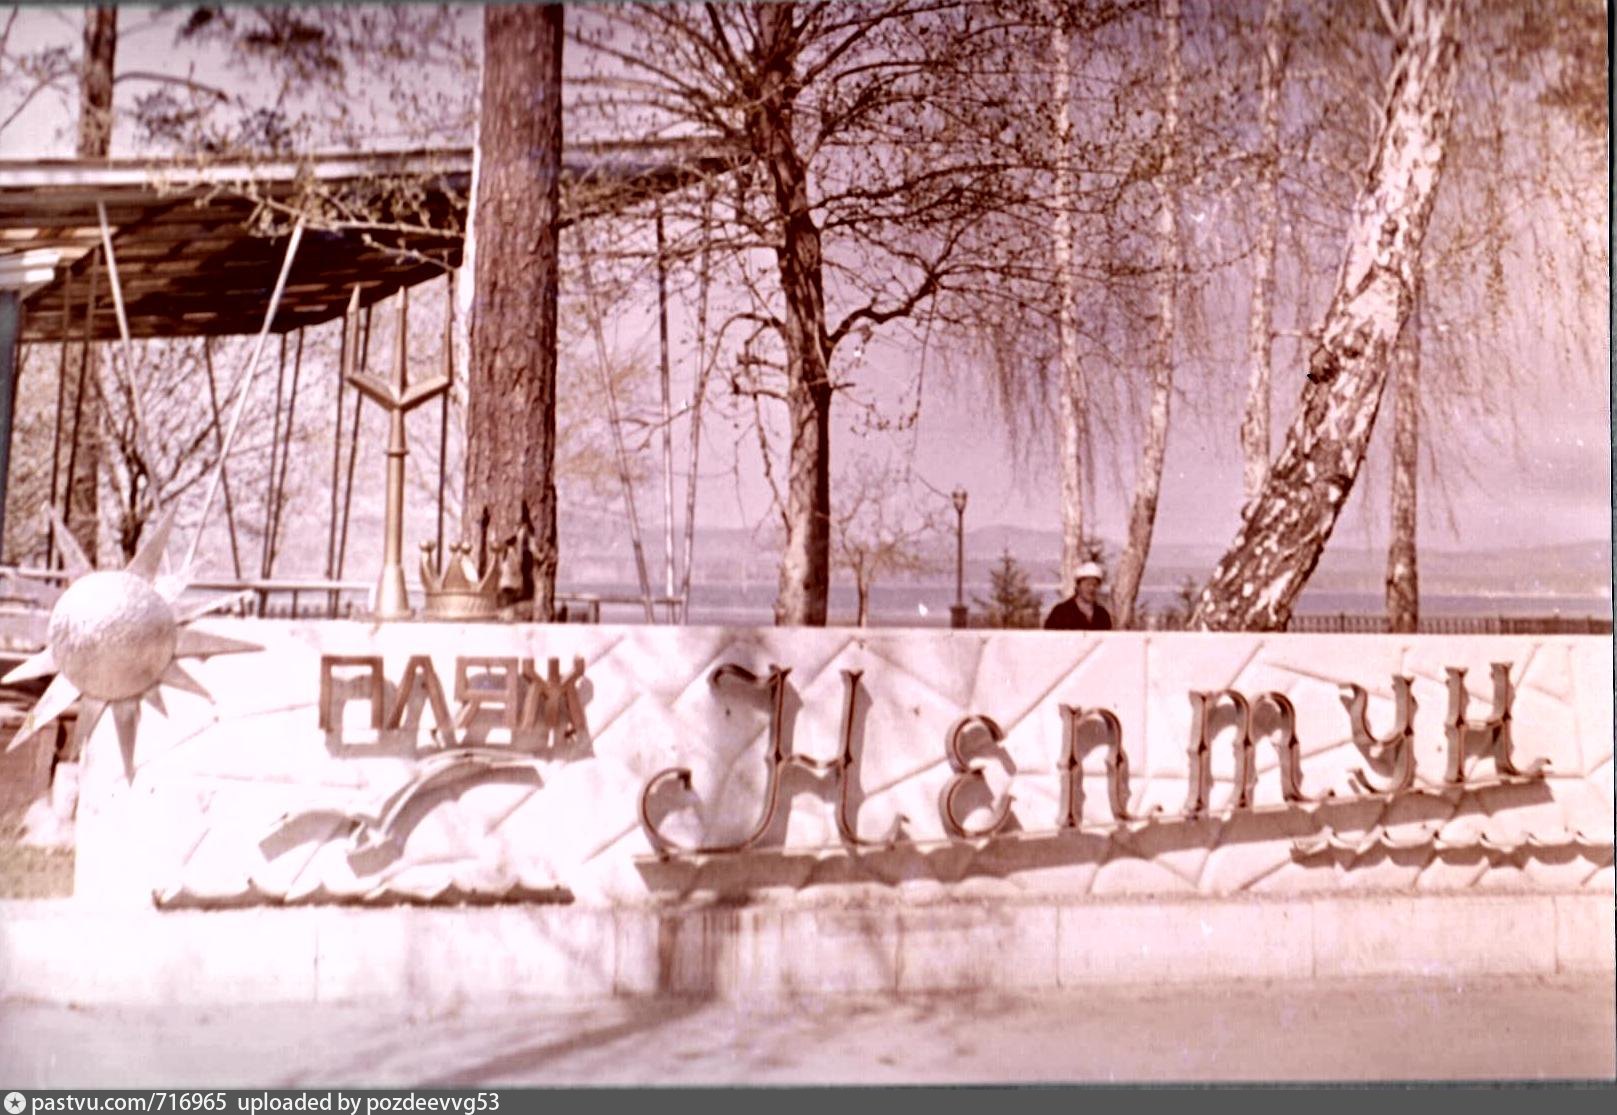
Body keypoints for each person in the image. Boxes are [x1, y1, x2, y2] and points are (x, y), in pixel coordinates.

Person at [1044, 561, 1113, 631]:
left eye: (1095, 585)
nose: (1091, 588)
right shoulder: (1060, 612)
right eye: (1088, 584)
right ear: (1078, 586)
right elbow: (1048, 638)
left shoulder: (1102, 615)